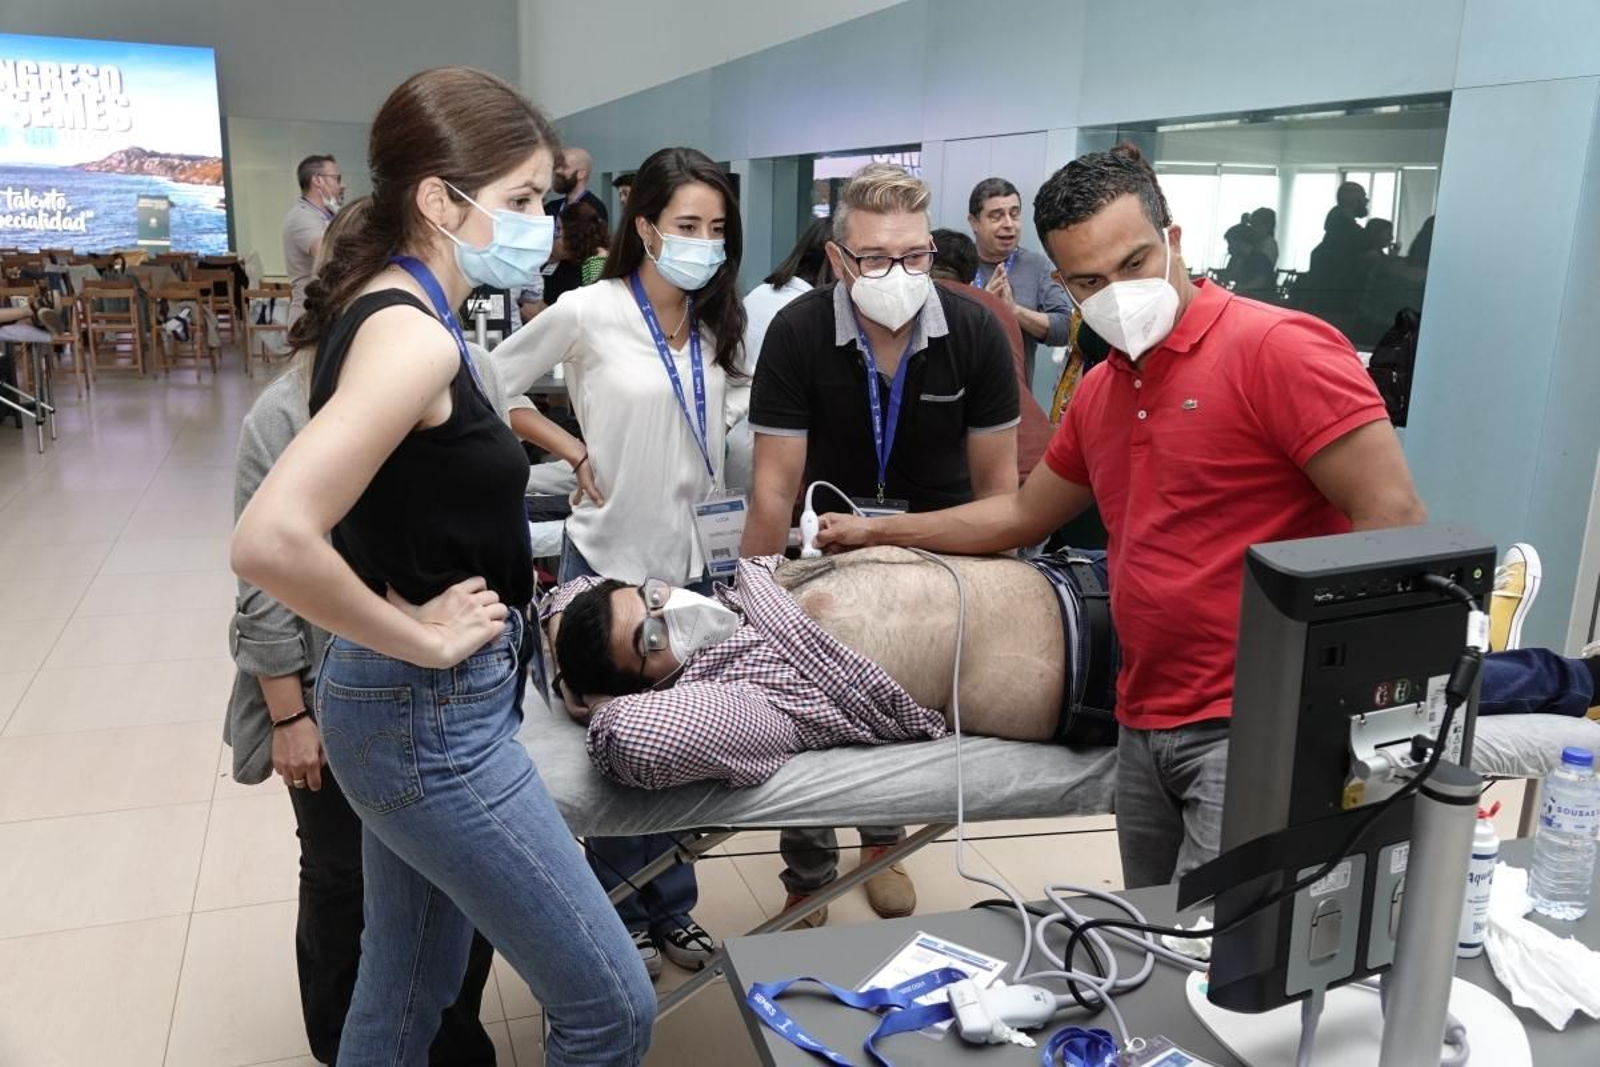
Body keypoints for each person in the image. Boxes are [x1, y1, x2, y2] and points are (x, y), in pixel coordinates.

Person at [815, 143, 1429, 890]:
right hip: (1143, 719)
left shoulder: (1277, 350)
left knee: (1218, 940)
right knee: (1157, 930)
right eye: (1089, 282)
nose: (1118, 292)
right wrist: (877, 532)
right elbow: (1019, 515)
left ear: (1174, 239)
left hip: (1255, 720)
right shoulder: (1102, 393)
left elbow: (1391, 518)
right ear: (1064, 286)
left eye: (1135, 263)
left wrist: (1338, 706)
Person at [229, 67, 654, 1065]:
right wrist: (417, 636)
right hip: (427, 716)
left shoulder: (397, 306)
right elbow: (270, 538)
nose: (541, 225)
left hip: (414, 707)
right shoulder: (410, 338)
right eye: (521, 200)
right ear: (438, 199)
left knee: (408, 981)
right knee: (611, 1006)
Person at [544, 549, 1600, 789]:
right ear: (651, 681)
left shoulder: (742, 593)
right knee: (1354, 684)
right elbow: (632, 741)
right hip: (1109, 667)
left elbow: (573, 592)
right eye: (652, 640)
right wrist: (587, 695)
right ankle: (1560, 679)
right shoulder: (744, 695)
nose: (671, 617)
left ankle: (1470, 636)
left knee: (1342, 619)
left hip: (1093, 577)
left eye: (653, 598)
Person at [228, 197, 504, 1067]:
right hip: (334, 691)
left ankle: (448, 1038)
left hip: (451, 690)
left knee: (456, 881)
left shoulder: (462, 366)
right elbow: (264, 584)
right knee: (342, 874)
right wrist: (289, 715)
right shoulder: (287, 410)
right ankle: (343, 1041)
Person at [490, 146, 749, 981]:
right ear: (647, 227)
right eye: (687, 225)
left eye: (716, 227)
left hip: (692, 569)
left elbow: (731, 412)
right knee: (610, 752)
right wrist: (570, 447)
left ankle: (670, 904)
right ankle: (616, 911)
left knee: (677, 749)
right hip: (606, 569)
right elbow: (488, 379)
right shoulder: (590, 310)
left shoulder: (719, 320)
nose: (703, 242)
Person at [741, 162, 1020, 925]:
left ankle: (882, 842)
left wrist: (1000, 602)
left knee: (897, 711)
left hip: (935, 557)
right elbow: (774, 487)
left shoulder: (973, 332)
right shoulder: (799, 332)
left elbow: (1000, 491)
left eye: (915, 255)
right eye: (875, 258)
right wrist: (755, 594)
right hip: (823, 555)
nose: (898, 274)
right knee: (809, 713)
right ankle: (808, 871)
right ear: (838, 259)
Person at [930, 228, 1050, 482]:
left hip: (989, 469)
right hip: (1040, 458)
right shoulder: (997, 308)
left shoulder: (930, 305)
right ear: (970, 275)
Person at [967, 177, 1074, 386]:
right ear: (974, 222)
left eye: (1014, 214)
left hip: (1016, 398)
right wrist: (981, 308)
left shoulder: (1038, 266)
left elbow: (1066, 329)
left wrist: (1013, 311)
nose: (1009, 224)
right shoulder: (958, 263)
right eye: (996, 216)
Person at [281, 155, 345, 326]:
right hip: (310, 318)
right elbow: (328, 256)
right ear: (318, 181)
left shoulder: (327, 216)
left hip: (327, 313)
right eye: (337, 179)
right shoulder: (302, 217)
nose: (342, 185)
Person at [1299, 180, 1371, 315]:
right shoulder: (1350, 234)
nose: (1367, 200)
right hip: (1340, 302)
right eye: (1363, 196)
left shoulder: (1335, 230)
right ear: (1353, 201)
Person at [548, 146, 609, 224]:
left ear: (581, 174)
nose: (557, 171)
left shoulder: (594, 208)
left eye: (564, 167)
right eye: (557, 166)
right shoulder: (551, 207)